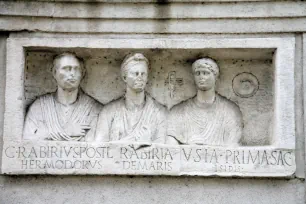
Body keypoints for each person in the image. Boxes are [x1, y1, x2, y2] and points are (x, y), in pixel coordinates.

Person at [23, 52, 102, 141]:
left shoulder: (94, 108)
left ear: (82, 74)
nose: (72, 73)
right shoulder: (39, 107)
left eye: (76, 69)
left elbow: (97, 143)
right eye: (66, 69)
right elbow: (27, 139)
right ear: (54, 72)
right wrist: (65, 131)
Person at [167, 57, 243, 146]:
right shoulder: (178, 111)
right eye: (197, 73)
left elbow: (233, 145)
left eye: (206, 73)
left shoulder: (230, 111)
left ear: (215, 77)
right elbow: (170, 146)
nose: (201, 77)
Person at [95, 53, 166, 143]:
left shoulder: (159, 113)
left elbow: (162, 151)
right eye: (135, 74)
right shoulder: (108, 112)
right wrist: (136, 141)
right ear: (124, 77)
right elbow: (99, 149)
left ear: (147, 77)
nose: (139, 77)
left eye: (143, 74)